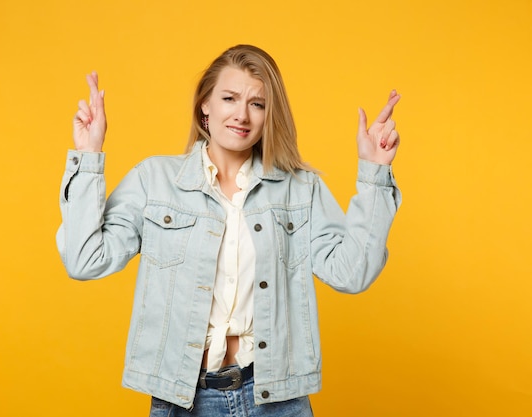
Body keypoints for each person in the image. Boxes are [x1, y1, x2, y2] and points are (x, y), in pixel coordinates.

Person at [56, 44, 401, 416]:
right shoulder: (154, 181)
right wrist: (88, 157)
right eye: (229, 98)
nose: (242, 115)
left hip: (276, 400)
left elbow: (351, 274)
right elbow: (84, 260)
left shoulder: (299, 189)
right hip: (183, 398)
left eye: (258, 103)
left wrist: (374, 174)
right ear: (205, 104)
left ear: (270, 114)